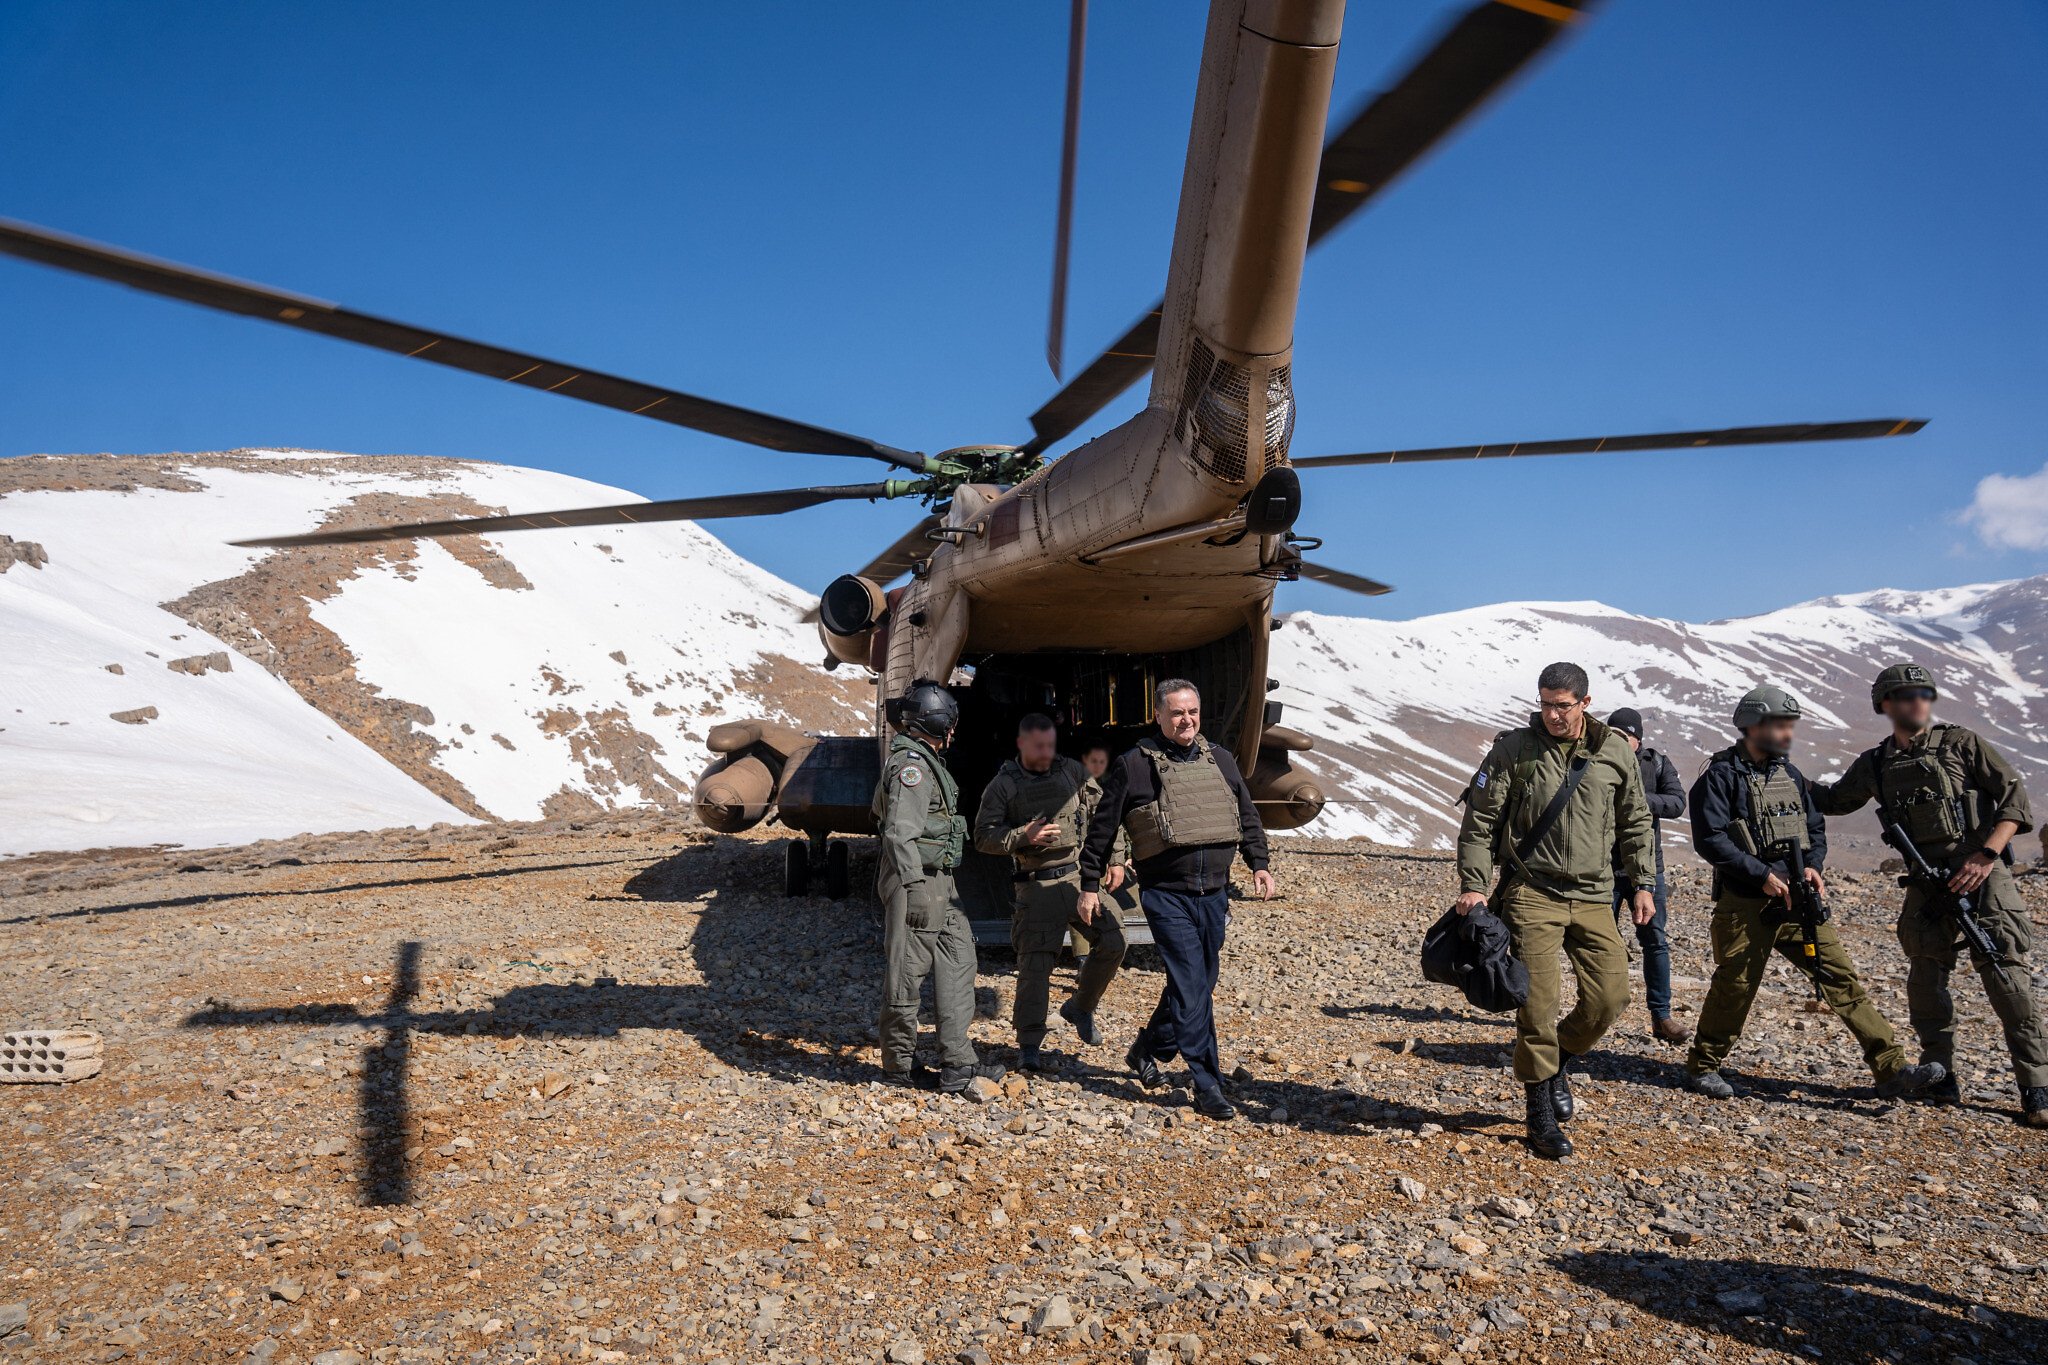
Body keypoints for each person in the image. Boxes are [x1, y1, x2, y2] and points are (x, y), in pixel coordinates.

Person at [1810, 663, 2046, 1127]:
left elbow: (2014, 802)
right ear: (1885, 704)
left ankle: (2037, 1088)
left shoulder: (1961, 744)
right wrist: (1774, 768)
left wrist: (1986, 856)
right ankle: (1941, 1078)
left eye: (1924, 694)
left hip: (1981, 875)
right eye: (1906, 695)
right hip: (1927, 882)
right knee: (1924, 980)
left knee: (2008, 981)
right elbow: (1834, 800)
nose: (1918, 702)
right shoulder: (1876, 763)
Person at [1683, 685, 1944, 1102]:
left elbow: (1814, 828)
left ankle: (1892, 1068)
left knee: (1841, 979)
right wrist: (1761, 875)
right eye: (1780, 725)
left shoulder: (1789, 776)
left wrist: (1812, 865)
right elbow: (1711, 840)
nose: (1788, 733)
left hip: (1798, 899)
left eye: (1790, 725)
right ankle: (1703, 1065)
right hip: (1747, 905)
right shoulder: (1719, 777)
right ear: (1752, 725)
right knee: (1736, 985)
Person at [1456, 662, 1655, 1160]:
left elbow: (1635, 820)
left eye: (1562, 706)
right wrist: (1475, 886)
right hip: (1532, 892)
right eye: (1545, 704)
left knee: (1609, 999)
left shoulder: (1614, 751)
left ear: (1585, 703)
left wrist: (1643, 885)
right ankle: (1539, 1112)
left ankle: (1559, 1059)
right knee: (1537, 1008)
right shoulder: (1514, 749)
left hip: (1594, 895)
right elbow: (1480, 821)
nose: (1552, 715)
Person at [1078, 680, 1273, 1121]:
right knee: (1189, 984)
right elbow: (1103, 829)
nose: (1187, 720)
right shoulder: (1134, 765)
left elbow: (1246, 814)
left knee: (1199, 983)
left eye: (1193, 712)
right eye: (1177, 713)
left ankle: (1146, 1049)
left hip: (1214, 893)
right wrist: (1089, 884)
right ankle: (1207, 1083)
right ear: (1159, 716)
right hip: (1166, 895)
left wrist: (1258, 863)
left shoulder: (1220, 759)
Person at [974, 715, 1128, 1069]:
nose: (1046, 753)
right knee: (1035, 966)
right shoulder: (1003, 785)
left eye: (1050, 745)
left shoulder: (1072, 771)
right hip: (1036, 885)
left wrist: (1116, 857)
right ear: (1022, 745)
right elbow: (982, 836)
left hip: (1078, 879)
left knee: (1115, 939)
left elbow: (1104, 813)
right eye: (1038, 747)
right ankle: (1029, 1044)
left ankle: (1080, 1007)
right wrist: (1021, 837)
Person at [872, 679, 980, 1092]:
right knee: (907, 971)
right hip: (914, 879)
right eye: (950, 722)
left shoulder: (925, 761)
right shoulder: (912, 769)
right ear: (938, 723)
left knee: (959, 959)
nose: (953, 730)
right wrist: (914, 886)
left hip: (940, 882)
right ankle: (899, 1065)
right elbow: (900, 834)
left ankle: (958, 1063)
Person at [1604, 708, 1690, 1045]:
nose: (1617, 742)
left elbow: (1676, 803)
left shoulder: (1656, 764)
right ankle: (1597, 1012)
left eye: (1623, 737)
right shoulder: (1597, 762)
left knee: (1654, 940)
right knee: (1599, 941)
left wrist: (1636, 798)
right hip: (1604, 868)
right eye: (1612, 735)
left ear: (1637, 740)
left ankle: (1661, 1016)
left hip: (1647, 869)